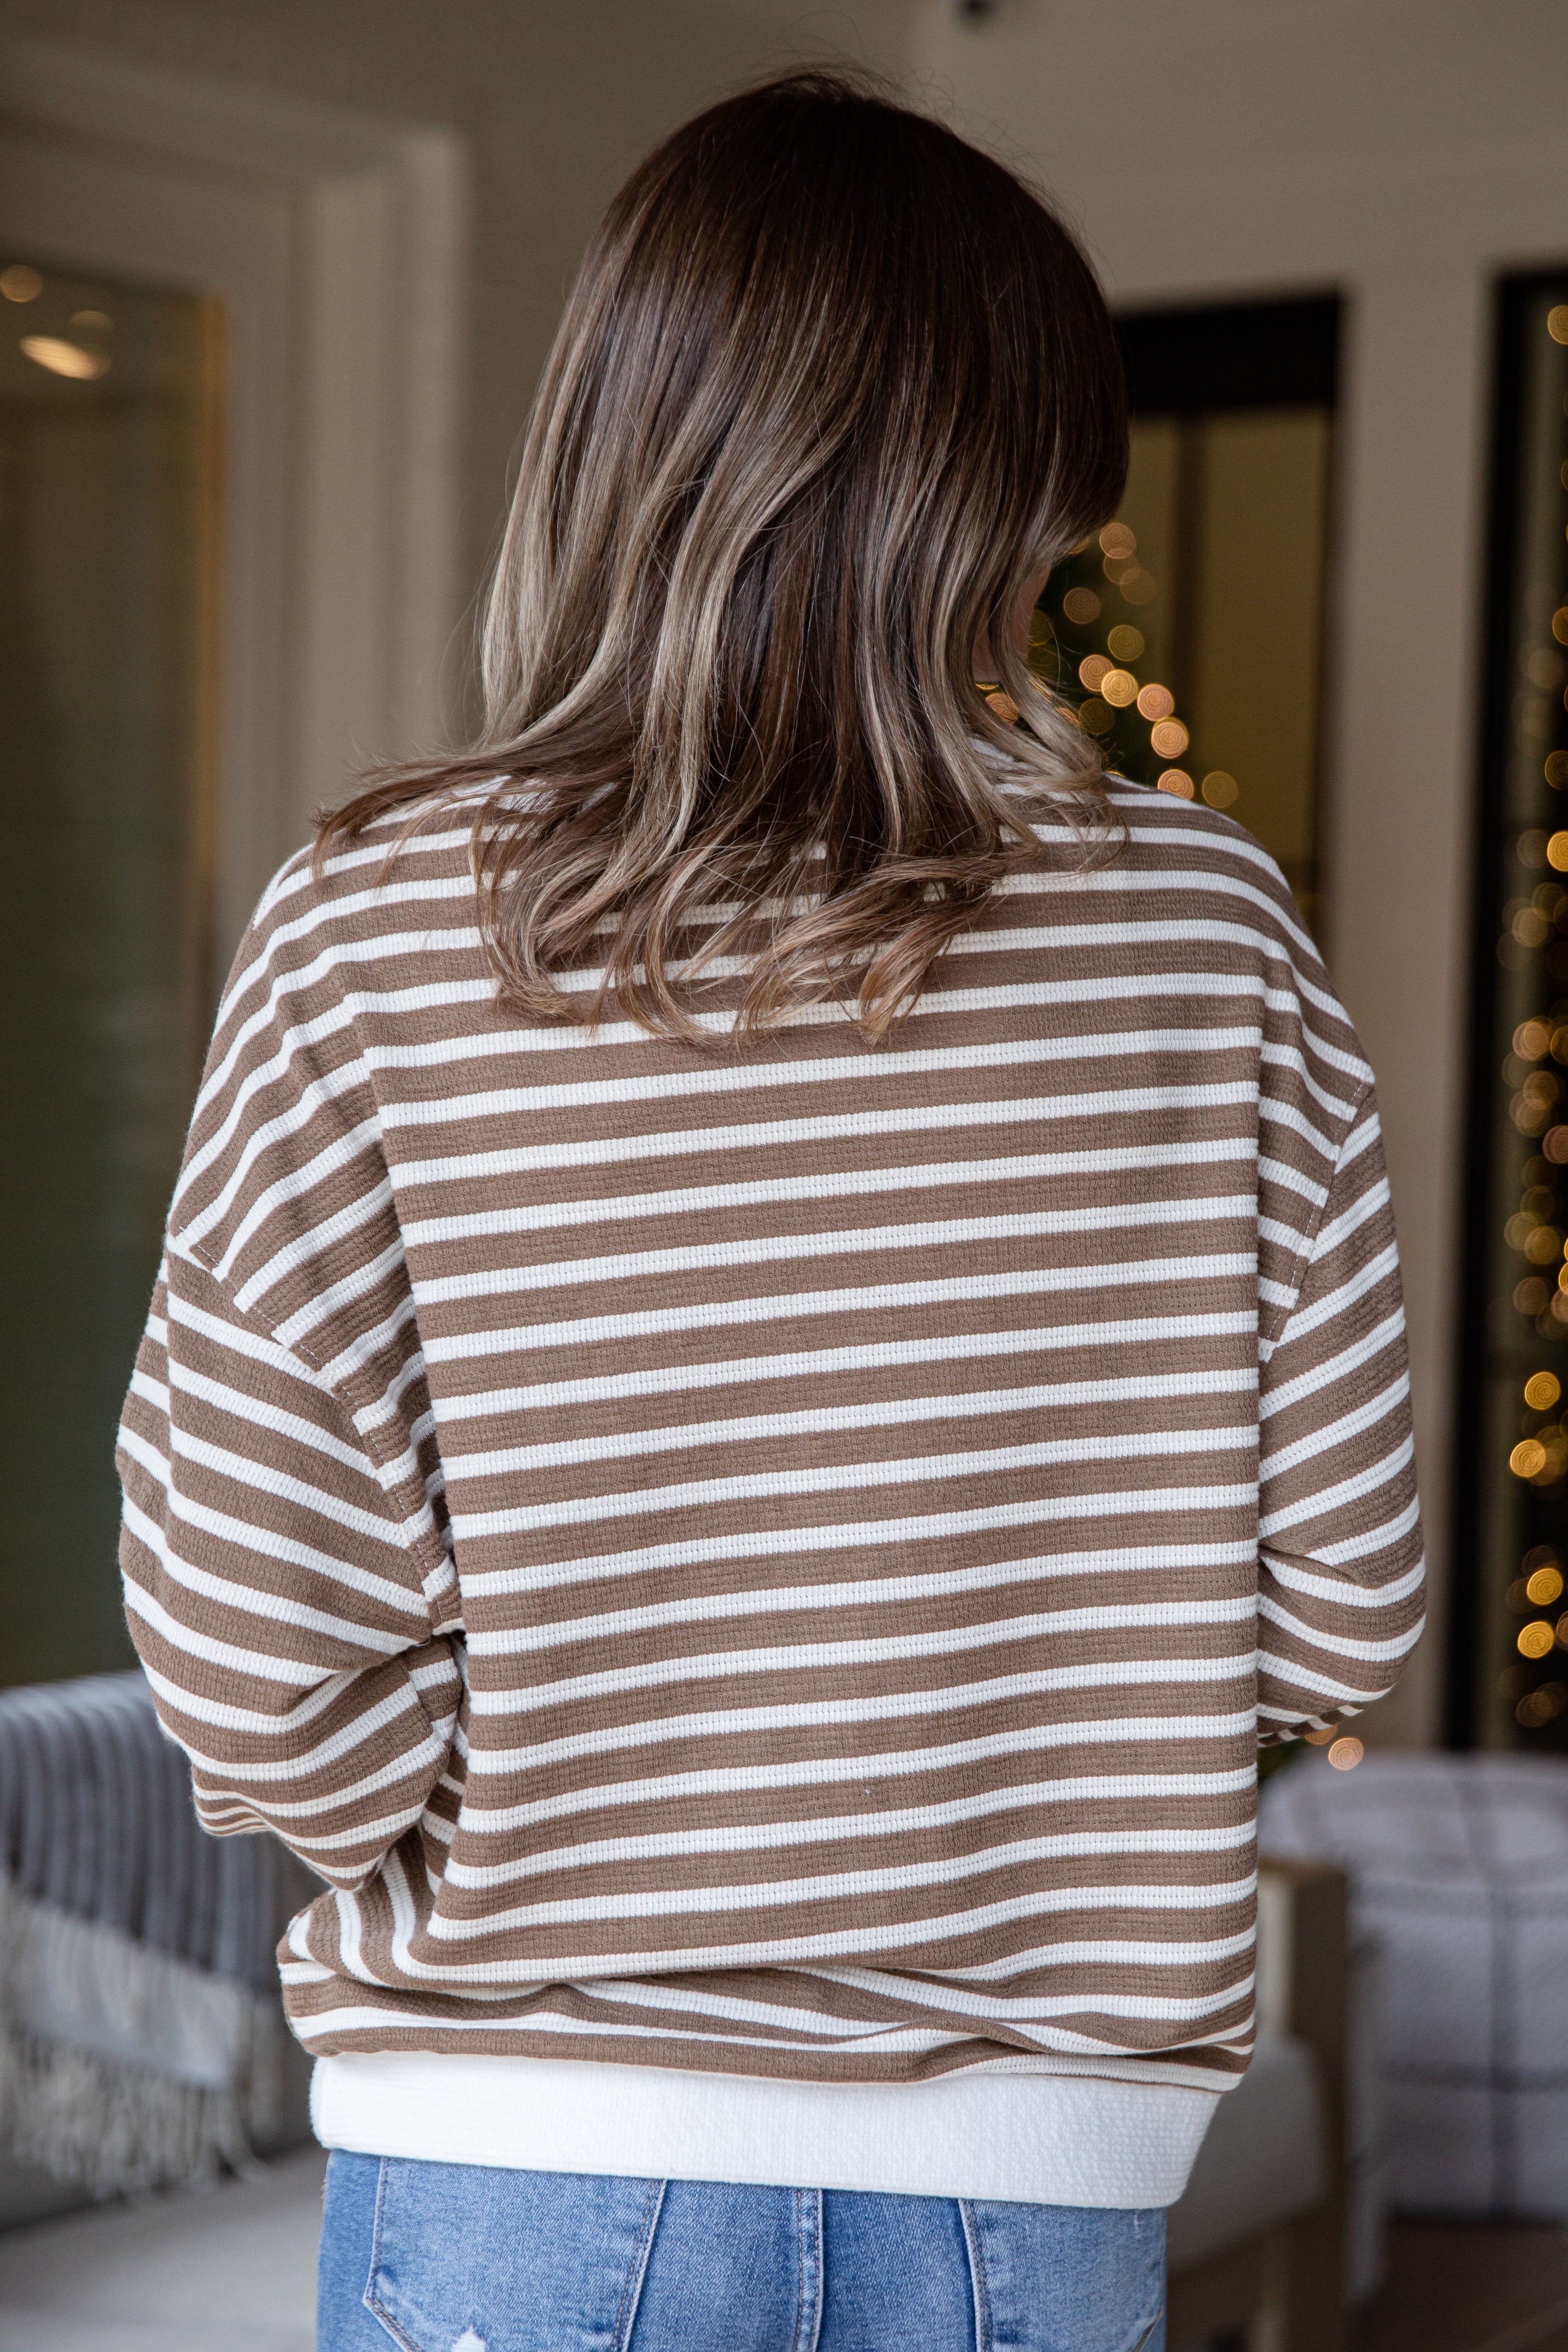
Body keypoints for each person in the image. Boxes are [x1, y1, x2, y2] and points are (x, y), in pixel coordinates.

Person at [117, 70, 1425, 2352]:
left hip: (516, 2160)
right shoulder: (1210, 935)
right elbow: (1345, 1608)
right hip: (1033, 2191)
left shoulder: (372, 929)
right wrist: (1032, 1766)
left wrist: (526, 1840)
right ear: (1000, 497)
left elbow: (252, 1640)